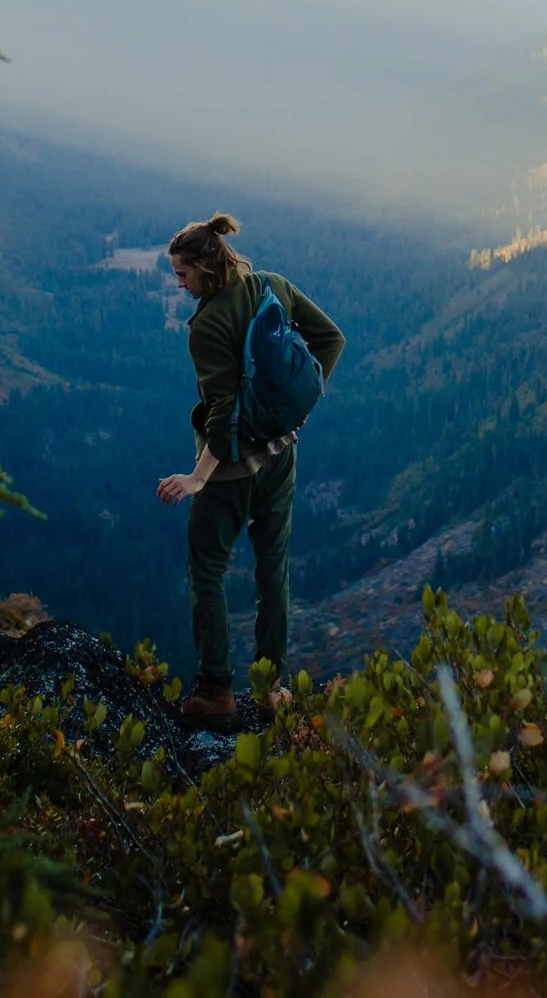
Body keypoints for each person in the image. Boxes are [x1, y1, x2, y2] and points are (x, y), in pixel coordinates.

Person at [154, 212, 344, 728]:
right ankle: (269, 689)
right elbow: (331, 340)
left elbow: (222, 413)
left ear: (206, 269)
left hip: (230, 473)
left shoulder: (208, 325)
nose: (179, 285)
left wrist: (197, 478)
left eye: (183, 275)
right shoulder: (272, 286)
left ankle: (216, 691)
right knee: (272, 571)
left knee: (208, 568)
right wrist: (298, 404)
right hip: (282, 457)